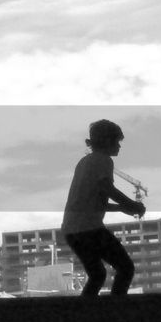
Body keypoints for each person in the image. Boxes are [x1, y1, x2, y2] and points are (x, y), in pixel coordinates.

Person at [60, 119, 145, 297]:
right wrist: (132, 205)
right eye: (117, 141)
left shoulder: (84, 162)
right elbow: (107, 188)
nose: (119, 146)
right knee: (125, 268)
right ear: (107, 141)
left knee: (97, 275)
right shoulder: (103, 160)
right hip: (89, 229)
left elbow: (94, 202)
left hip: (71, 231)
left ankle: (88, 314)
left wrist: (122, 208)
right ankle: (114, 311)